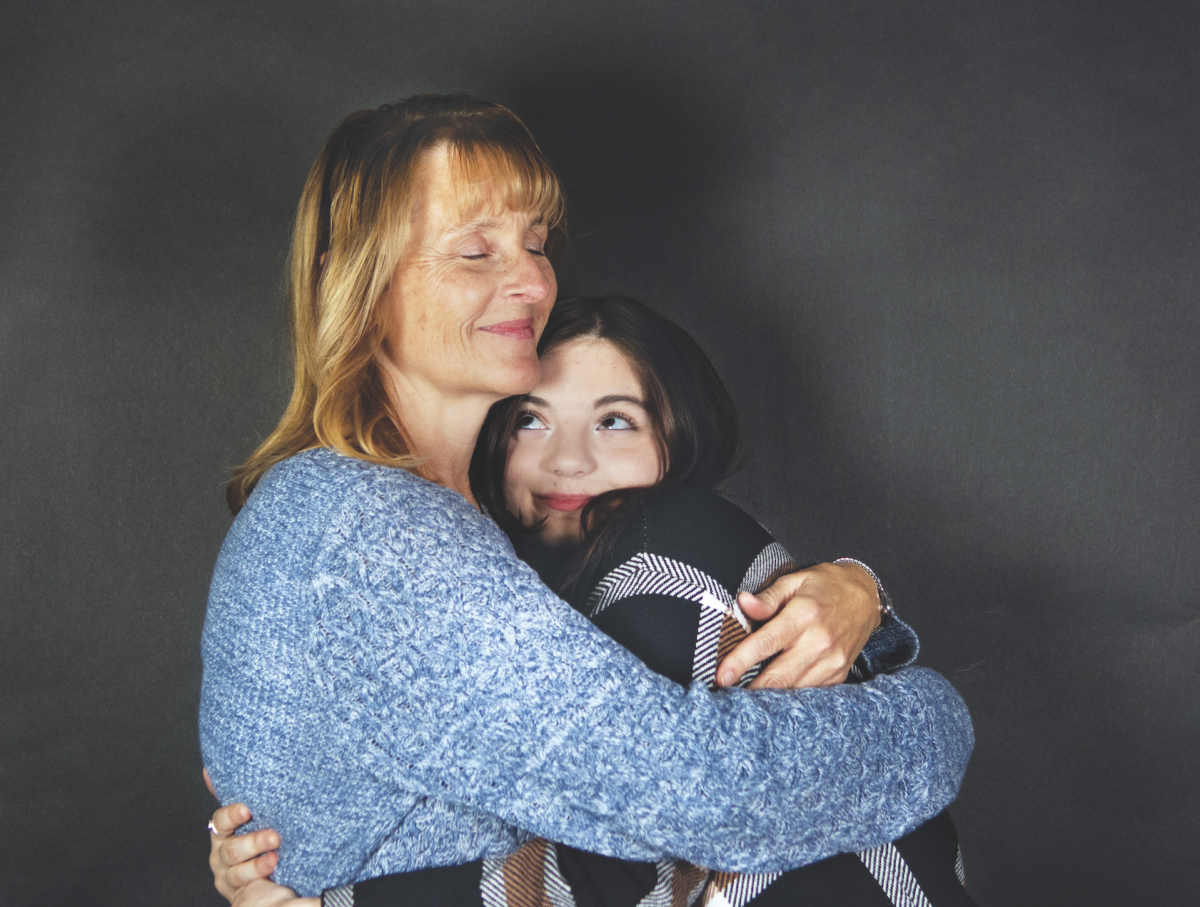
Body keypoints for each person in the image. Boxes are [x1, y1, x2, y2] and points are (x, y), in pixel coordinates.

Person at [200, 94, 973, 902]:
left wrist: (860, 594)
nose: (533, 280)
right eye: (475, 252)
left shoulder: (405, 512)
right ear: (353, 280)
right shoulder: (376, 532)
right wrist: (935, 713)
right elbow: (712, 795)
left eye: (536, 243)